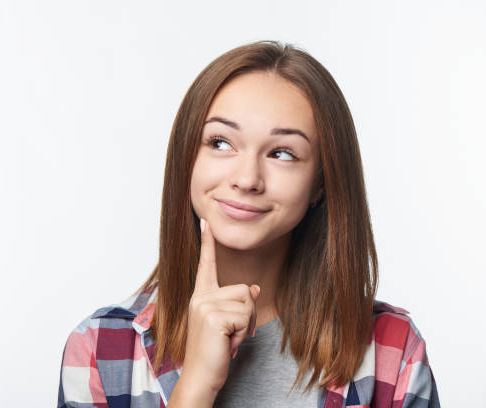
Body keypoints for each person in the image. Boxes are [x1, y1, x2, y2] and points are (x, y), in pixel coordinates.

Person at [57, 40, 440, 408]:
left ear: (320, 183)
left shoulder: (392, 350)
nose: (247, 178)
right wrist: (197, 387)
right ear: (186, 156)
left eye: (283, 153)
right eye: (221, 142)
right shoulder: (99, 348)